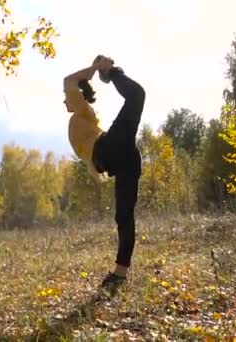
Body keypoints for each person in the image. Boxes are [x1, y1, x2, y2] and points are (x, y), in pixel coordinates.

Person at [63, 55, 145, 292]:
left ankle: (113, 72)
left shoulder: (80, 112)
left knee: (137, 96)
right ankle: (119, 274)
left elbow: (68, 80)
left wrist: (97, 69)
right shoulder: (84, 115)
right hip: (121, 158)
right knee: (123, 216)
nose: (65, 102)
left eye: (67, 99)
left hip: (109, 150)